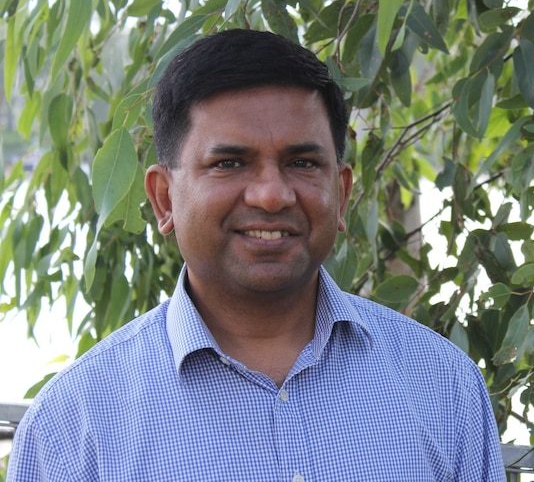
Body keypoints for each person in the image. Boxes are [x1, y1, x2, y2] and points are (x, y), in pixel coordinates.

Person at [8, 29, 505, 481]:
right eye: (229, 163)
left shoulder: (443, 387)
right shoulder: (74, 427)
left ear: (342, 194)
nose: (272, 195)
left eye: (303, 162)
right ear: (163, 199)